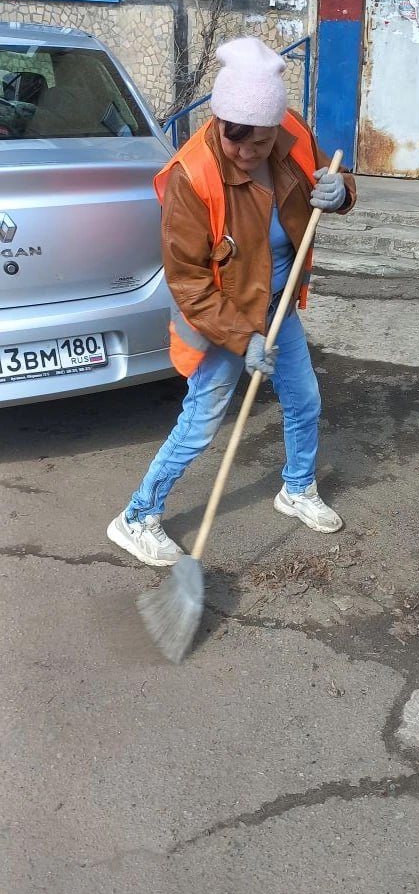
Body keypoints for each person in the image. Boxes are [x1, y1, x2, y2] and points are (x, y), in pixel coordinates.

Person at [107, 36, 356, 568]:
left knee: (304, 399)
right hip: (218, 316)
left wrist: (341, 192)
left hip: (277, 303)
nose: (246, 154)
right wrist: (244, 338)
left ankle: (297, 488)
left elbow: (326, 179)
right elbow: (189, 281)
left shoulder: (292, 135)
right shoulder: (191, 176)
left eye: (259, 143)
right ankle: (136, 516)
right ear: (218, 120)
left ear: (275, 127)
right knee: (201, 422)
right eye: (234, 140)